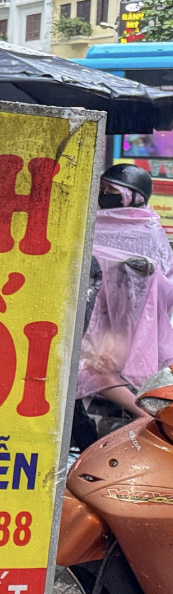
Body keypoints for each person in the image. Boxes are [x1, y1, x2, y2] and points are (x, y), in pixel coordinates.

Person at [73, 163, 173, 447]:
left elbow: (164, 282)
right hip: (93, 314)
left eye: (112, 191)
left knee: (91, 370)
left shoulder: (147, 229)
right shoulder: (92, 219)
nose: (105, 195)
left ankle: (144, 414)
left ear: (136, 196)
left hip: (131, 320)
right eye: (101, 190)